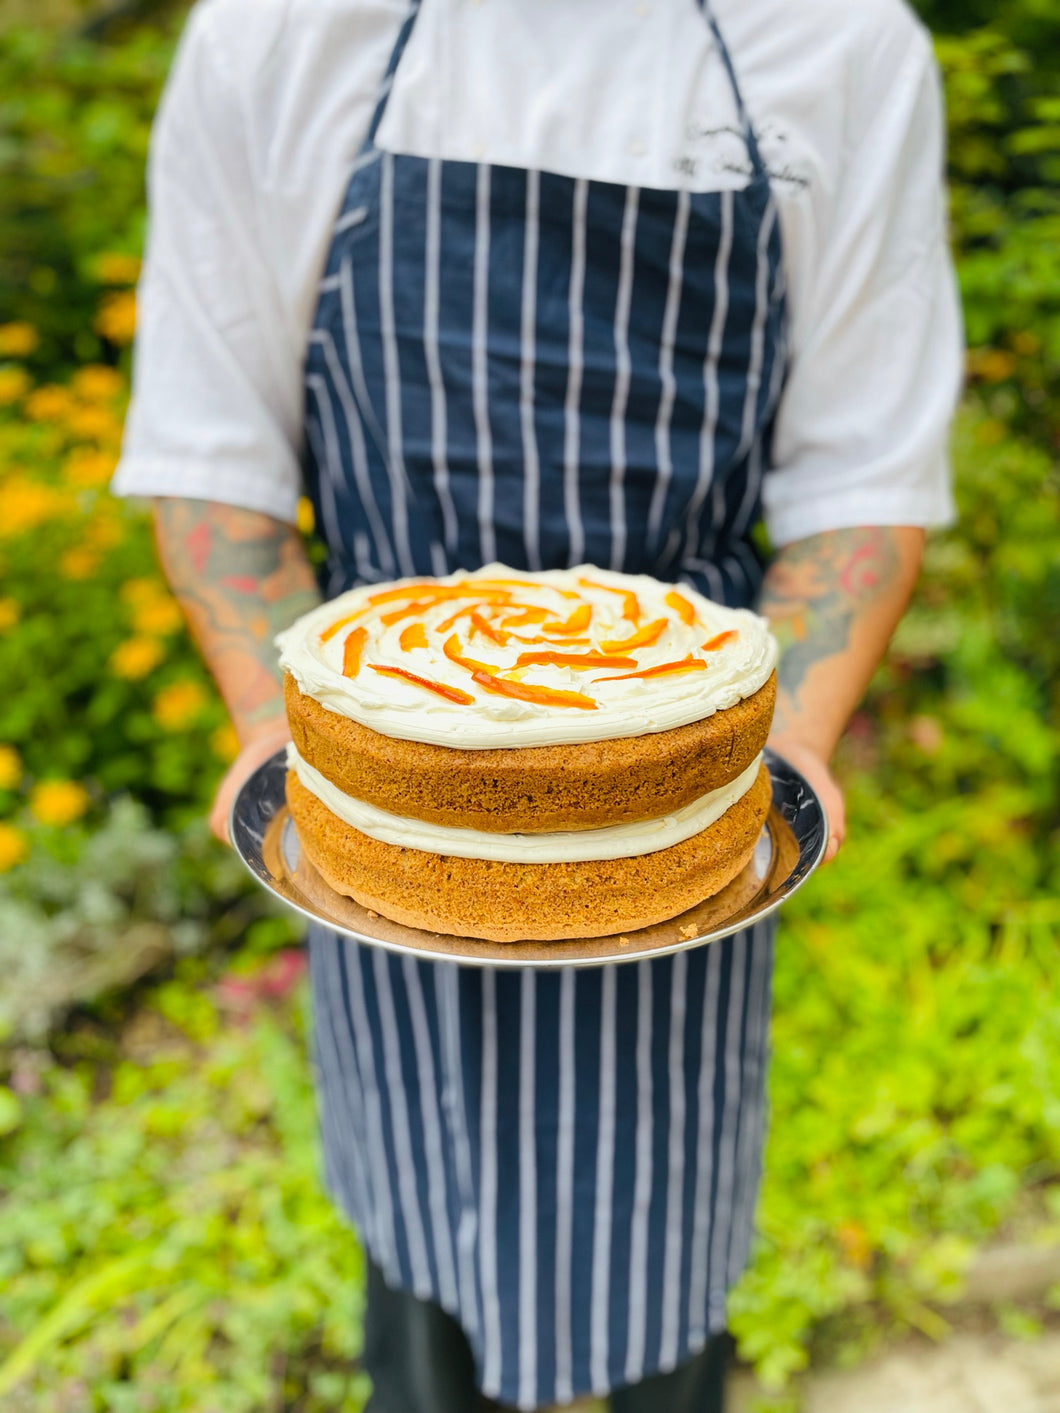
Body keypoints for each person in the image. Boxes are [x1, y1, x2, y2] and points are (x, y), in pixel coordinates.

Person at [113, 0, 962, 1407]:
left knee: (666, 1268)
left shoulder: (836, 42)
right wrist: (292, 728)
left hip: (688, 812)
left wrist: (776, 738)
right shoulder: (275, 36)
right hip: (380, 801)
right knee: (419, 1296)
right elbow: (217, 461)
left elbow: (861, 483)